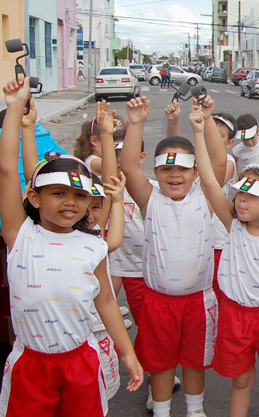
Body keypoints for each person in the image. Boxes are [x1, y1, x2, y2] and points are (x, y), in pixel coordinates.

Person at [0, 75, 144, 416]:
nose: (70, 202)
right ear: (34, 197)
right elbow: (7, 170)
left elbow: (106, 301)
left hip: (81, 361)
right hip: (30, 364)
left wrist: (128, 351)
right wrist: (16, 110)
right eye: (58, 193)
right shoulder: (20, 234)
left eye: (80, 195)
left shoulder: (93, 245)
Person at [191, 102, 259, 417]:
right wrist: (199, 131)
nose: (241, 200)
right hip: (233, 315)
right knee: (240, 380)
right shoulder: (233, 225)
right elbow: (209, 181)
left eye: (252, 196)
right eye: (240, 193)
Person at [120, 94, 228, 417]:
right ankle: (162, 411)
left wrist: (204, 122)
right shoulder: (150, 198)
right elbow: (128, 167)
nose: (174, 174)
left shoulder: (205, 196)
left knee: (195, 362)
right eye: (166, 168)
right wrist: (136, 123)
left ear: (195, 172)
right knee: (161, 363)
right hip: (158, 303)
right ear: (155, 171)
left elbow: (219, 162)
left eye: (183, 167)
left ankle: (195, 411)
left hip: (199, 301)